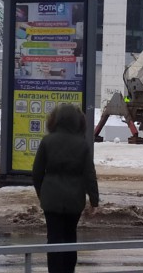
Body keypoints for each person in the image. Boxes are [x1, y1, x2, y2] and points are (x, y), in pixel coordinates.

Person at [32, 103, 99, 273]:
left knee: (54, 238)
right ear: (78, 122)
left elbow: (37, 172)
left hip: (51, 198)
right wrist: (94, 200)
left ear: (55, 120)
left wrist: (42, 193)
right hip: (74, 199)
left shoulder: (47, 141)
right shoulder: (82, 144)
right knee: (70, 237)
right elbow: (89, 174)